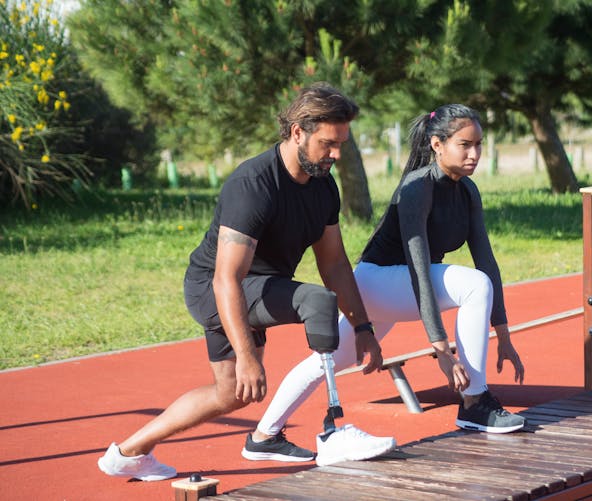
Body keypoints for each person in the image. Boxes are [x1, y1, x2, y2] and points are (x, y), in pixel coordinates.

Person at [97, 83, 396, 481]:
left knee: (229, 395)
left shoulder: (324, 185)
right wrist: (248, 356)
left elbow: (336, 263)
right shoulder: (253, 184)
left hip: (255, 286)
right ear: (297, 132)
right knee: (316, 301)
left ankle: (128, 453)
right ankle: (333, 430)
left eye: (341, 143)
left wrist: (362, 328)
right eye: (328, 144)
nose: (337, 155)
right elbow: (226, 278)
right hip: (216, 288)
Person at [248, 103, 525, 463]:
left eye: (478, 145)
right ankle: (474, 402)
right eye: (465, 145)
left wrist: (503, 335)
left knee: (330, 360)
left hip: (396, 288)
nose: (474, 154)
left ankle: (263, 435)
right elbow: (419, 267)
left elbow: (487, 261)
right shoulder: (416, 188)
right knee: (474, 285)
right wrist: (442, 350)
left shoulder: (467, 191)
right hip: (378, 281)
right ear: (437, 144)